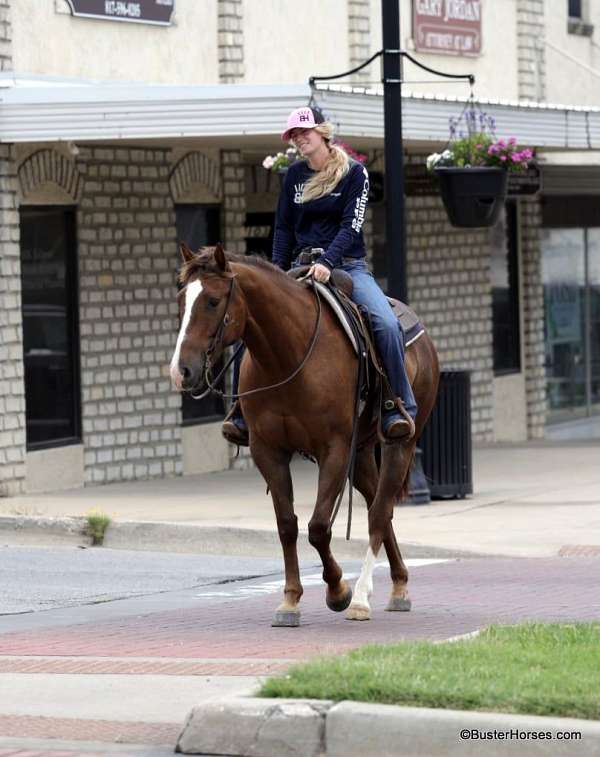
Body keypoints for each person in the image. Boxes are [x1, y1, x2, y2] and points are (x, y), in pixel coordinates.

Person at [222, 106, 417, 445]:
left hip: (347, 265)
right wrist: (277, 271)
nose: (300, 139)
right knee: (253, 322)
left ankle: (397, 405)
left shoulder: (354, 174)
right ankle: (240, 412)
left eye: (305, 132)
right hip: (299, 265)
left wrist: (329, 260)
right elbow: (282, 227)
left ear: (323, 133)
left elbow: (351, 225)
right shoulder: (294, 176)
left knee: (385, 323)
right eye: (294, 135)